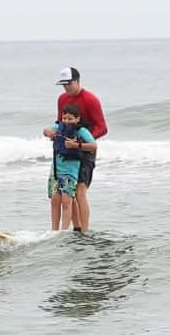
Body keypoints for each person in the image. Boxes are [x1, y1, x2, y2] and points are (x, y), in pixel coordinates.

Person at [46, 67, 108, 231]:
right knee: (68, 193)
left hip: (85, 149)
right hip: (66, 150)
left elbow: (102, 128)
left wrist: (80, 140)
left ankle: (85, 232)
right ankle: (77, 229)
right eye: (63, 85)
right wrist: (54, 134)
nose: (66, 88)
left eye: (69, 84)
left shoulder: (90, 99)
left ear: (78, 81)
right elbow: (60, 122)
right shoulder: (62, 99)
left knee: (80, 190)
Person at [43, 104, 97, 231]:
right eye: (65, 118)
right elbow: (46, 130)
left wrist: (76, 145)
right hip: (56, 170)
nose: (67, 121)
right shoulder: (58, 127)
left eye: (70, 119)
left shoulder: (81, 131)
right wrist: (48, 132)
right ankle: (54, 231)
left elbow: (93, 145)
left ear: (77, 119)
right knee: (55, 200)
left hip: (70, 171)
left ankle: (64, 230)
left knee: (67, 201)